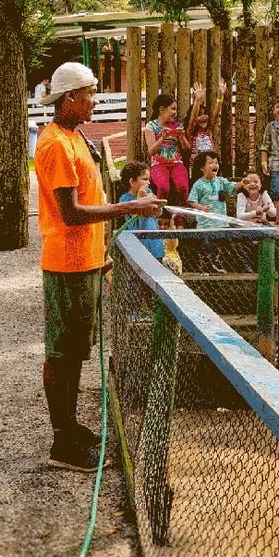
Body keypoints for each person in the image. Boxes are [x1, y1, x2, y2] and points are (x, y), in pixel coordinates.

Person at [35, 62, 164, 471]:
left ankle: (71, 426)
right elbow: (70, 213)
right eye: (90, 93)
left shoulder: (74, 137)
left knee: (76, 353)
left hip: (87, 260)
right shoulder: (56, 143)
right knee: (62, 354)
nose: (95, 101)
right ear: (70, 97)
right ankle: (61, 441)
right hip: (67, 262)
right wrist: (130, 206)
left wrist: (101, 256)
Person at [186, 150, 244, 273]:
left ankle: (218, 266)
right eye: (211, 163)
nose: (215, 165)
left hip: (221, 224)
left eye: (216, 163)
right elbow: (191, 201)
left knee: (222, 246)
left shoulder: (221, 181)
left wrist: (244, 182)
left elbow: (232, 186)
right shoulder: (198, 184)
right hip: (206, 225)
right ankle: (204, 268)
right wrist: (201, 208)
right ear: (202, 168)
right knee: (206, 247)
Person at [143, 93, 190, 206]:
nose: (175, 112)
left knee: (182, 186)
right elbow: (151, 151)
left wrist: (182, 137)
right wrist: (162, 138)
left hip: (176, 163)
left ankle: (180, 217)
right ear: (162, 109)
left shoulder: (177, 125)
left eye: (176, 109)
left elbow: (187, 148)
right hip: (158, 164)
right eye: (173, 109)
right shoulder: (151, 126)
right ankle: (160, 214)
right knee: (163, 187)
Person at [119, 159, 164, 263]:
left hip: (155, 247)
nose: (148, 183)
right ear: (132, 182)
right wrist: (140, 199)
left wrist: (158, 205)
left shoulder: (149, 192)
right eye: (145, 179)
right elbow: (135, 215)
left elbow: (158, 213)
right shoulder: (125, 199)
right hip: (138, 249)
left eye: (149, 179)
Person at [187, 78, 226, 165]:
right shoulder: (191, 133)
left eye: (205, 114)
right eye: (200, 114)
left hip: (211, 166)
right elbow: (193, 118)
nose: (203, 117)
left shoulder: (209, 131)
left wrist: (221, 95)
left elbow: (216, 112)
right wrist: (197, 99)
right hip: (198, 169)